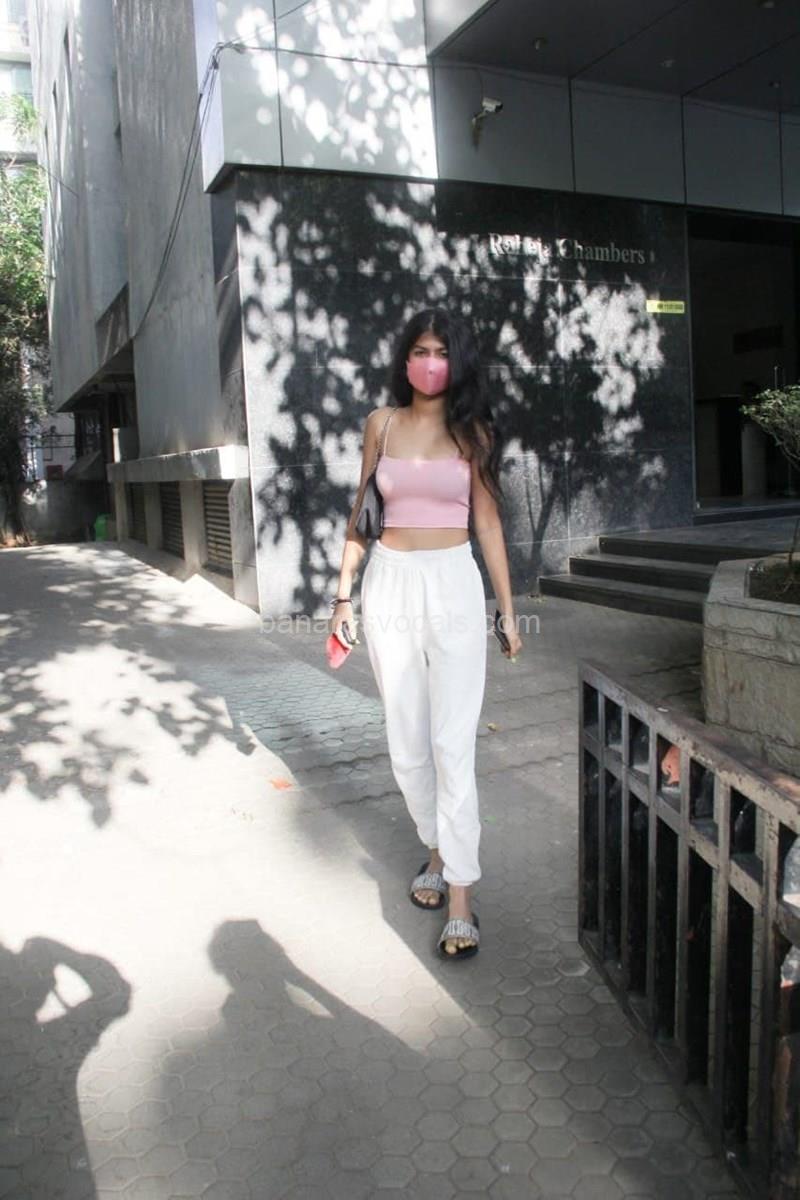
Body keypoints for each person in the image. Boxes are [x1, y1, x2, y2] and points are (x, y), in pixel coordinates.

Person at [330, 309, 522, 959]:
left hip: (454, 583)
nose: (431, 362)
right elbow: (362, 513)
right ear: (404, 358)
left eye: (442, 351)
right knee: (407, 745)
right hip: (389, 582)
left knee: (451, 744)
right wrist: (343, 594)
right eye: (420, 350)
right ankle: (437, 849)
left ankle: (460, 893)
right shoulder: (380, 426)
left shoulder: (474, 433)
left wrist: (507, 608)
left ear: (457, 361)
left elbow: (488, 523)